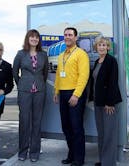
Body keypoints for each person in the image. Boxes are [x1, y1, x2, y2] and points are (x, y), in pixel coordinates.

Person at [53, 27, 90, 166]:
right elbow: (58, 75)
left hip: (75, 94)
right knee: (66, 127)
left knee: (76, 127)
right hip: (63, 93)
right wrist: (56, 91)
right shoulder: (62, 55)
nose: (67, 37)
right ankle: (72, 154)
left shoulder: (81, 54)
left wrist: (76, 95)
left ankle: (79, 159)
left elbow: (84, 76)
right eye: (65, 34)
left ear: (75, 38)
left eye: (70, 35)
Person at [13, 29, 48, 162]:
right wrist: (22, 84)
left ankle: (34, 152)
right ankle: (22, 151)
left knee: (37, 122)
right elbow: (15, 71)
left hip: (40, 91)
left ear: (39, 40)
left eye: (36, 37)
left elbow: (44, 73)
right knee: (24, 122)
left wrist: (39, 84)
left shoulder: (43, 55)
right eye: (32, 37)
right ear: (28, 39)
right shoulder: (21, 54)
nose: (34, 39)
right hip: (24, 92)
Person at [89, 36, 122, 166]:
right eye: (99, 45)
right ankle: (103, 160)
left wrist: (110, 103)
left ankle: (109, 163)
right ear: (96, 47)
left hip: (108, 104)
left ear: (108, 47)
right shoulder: (97, 61)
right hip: (98, 102)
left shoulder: (111, 61)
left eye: (104, 45)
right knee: (101, 133)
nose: (101, 47)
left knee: (109, 134)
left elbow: (113, 83)